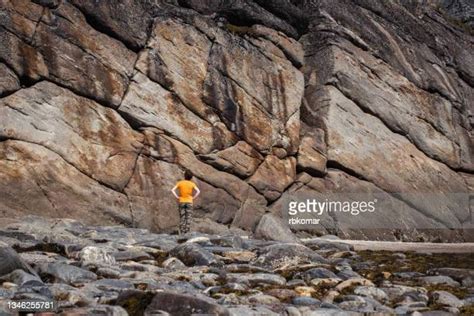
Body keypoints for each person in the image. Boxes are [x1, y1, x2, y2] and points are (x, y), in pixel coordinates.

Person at [171, 170, 200, 234]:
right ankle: (187, 232)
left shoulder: (180, 183)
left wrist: (177, 197)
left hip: (182, 201)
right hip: (189, 201)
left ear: (184, 176)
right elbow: (198, 191)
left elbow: (173, 190)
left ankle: (182, 232)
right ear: (191, 177)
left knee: (182, 217)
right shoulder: (192, 184)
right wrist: (193, 197)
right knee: (188, 217)